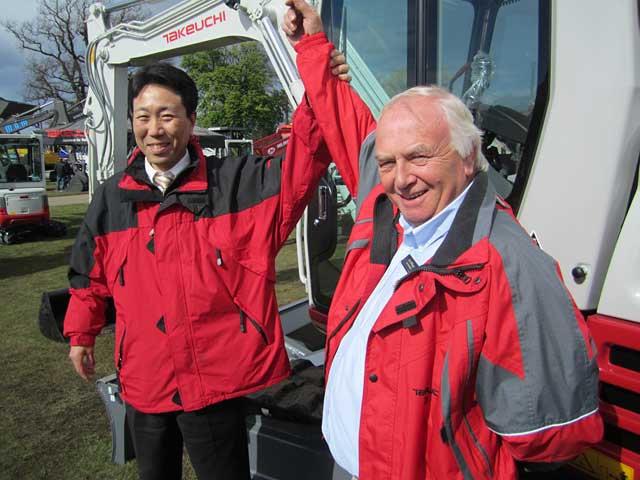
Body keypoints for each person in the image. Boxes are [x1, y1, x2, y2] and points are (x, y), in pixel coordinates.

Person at [283, 1, 603, 479]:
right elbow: (352, 128)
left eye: (420, 157)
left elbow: (549, 432)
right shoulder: (386, 205)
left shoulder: (509, 267)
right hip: (349, 461)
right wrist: (311, 45)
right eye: (389, 163)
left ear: (469, 157)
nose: (401, 178)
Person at [63, 62, 332, 480]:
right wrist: (81, 334)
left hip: (213, 383)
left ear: (192, 120)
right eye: (143, 116)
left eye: (168, 115)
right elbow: (89, 275)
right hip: (145, 379)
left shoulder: (239, 184)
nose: (155, 129)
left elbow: (306, 156)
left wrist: (318, 72)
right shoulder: (112, 198)